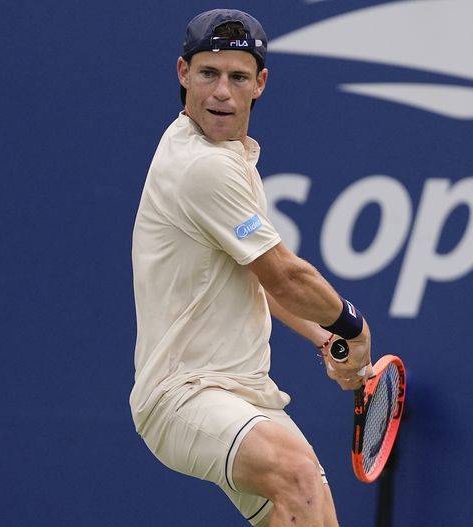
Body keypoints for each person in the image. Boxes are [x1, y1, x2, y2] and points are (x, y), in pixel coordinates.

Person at [130, 9, 372, 527]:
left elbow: (260, 275)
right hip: (185, 395)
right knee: (296, 473)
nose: (222, 91)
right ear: (182, 73)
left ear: (259, 84)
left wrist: (322, 338)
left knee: (316, 510)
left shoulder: (230, 157)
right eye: (208, 74)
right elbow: (286, 275)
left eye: (238, 77)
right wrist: (350, 325)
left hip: (245, 393)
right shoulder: (204, 167)